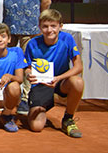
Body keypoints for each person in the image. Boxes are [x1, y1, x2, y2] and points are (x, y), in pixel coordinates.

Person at [0, 0, 51, 113]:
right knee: (10, 63)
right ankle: (8, 96)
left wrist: (40, 23)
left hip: (31, 30)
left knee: (29, 65)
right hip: (10, 30)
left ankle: (26, 98)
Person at [24, 9, 84, 138]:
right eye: (45, 26)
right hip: (41, 85)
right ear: (39, 27)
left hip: (60, 82)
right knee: (36, 127)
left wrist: (58, 78)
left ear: (60, 26)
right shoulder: (32, 43)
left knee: (78, 82)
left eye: (53, 26)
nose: (49, 30)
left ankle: (68, 118)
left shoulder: (67, 39)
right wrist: (29, 75)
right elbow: (28, 69)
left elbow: (78, 66)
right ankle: (41, 106)